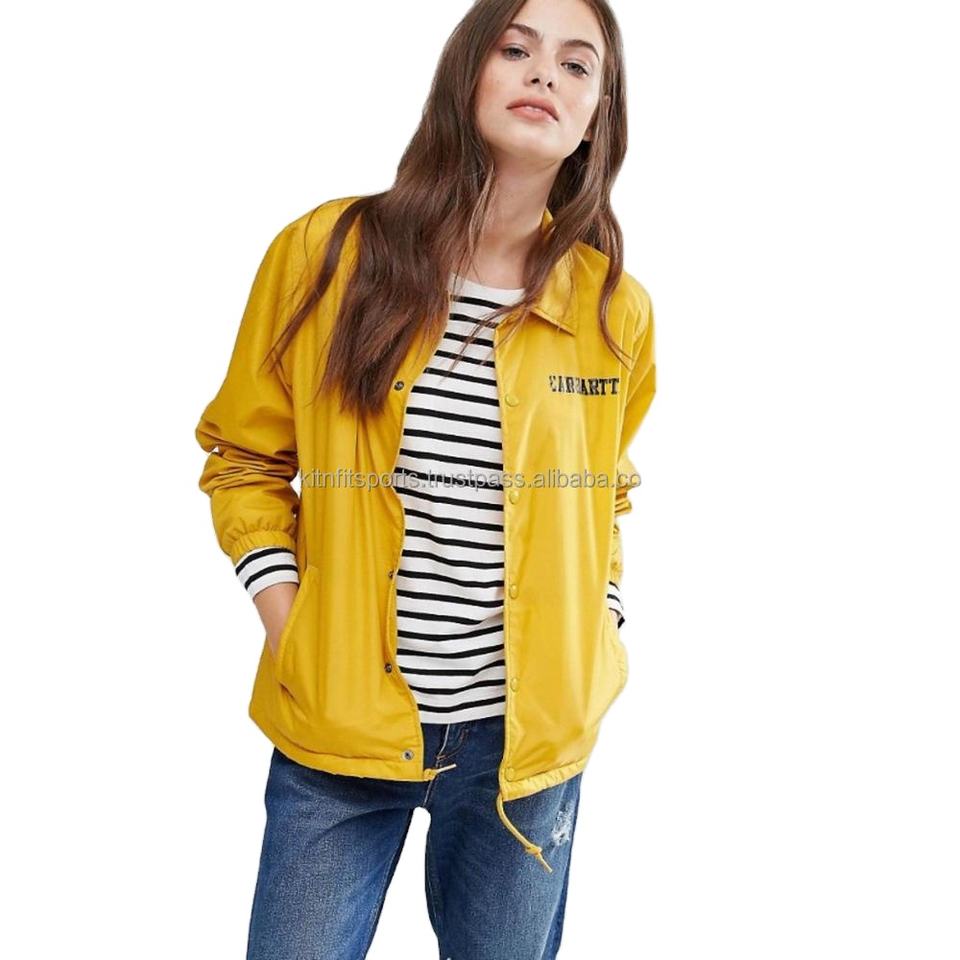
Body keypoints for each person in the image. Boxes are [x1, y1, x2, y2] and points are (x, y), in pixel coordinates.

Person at [193, 0, 656, 956]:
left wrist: (600, 619)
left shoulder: (613, 310)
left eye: (577, 65)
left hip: (525, 748)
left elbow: (605, 491)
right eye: (516, 49)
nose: (544, 74)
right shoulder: (327, 253)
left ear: (596, 119)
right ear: (466, 73)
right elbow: (243, 454)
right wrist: (290, 621)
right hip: (339, 723)